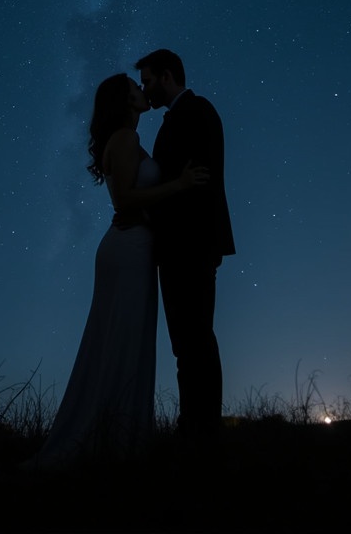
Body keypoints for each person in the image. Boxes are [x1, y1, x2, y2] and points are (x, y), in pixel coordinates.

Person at [26, 72, 208, 469]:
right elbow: (125, 200)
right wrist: (179, 185)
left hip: (132, 247)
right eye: (134, 87)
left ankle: (117, 438)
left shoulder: (129, 139)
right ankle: (112, 443)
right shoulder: (124, 139)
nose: (143, 91)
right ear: (124, 101)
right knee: (123, 339)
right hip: (128, 247)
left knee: (124, 339)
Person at [135, 49, 235, 444]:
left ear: (166, 76)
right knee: (188, 342)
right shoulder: (181, 116)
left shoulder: (195, 112)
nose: (145, 88)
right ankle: (195, 425)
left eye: (147, 80)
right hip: (181, 245)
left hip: (189, 243)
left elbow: (196, 182)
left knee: (194, 338)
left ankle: (201, 428)